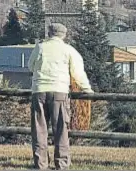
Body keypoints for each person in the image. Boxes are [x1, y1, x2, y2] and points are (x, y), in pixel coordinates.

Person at [28, 23, 94, 170]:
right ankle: (62, 163)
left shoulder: (40, 47)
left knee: (39, 129)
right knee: (60, 130)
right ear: (64, 35)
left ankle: (41, 163)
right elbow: (77, 73)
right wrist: (87, 89)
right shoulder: (68, 50)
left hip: (39, 91)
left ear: (49, 33)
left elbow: (30, 66)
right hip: (59, 91)